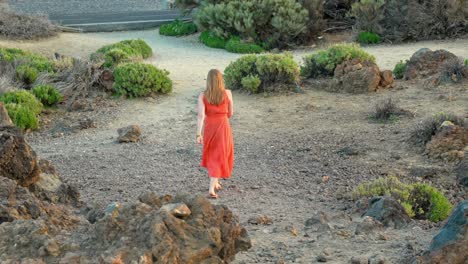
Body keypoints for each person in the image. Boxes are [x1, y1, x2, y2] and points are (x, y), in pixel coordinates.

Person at [197, 69, 234, 198]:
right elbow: (230, 113)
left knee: (213, 154)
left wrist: (198, 134)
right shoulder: (228, 93)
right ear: (220, 80)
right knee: (220, 153)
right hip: (223, 126)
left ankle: (216, 182)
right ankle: (211, 188)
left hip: (210, 127)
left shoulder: (203, 95)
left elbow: (201, 116)